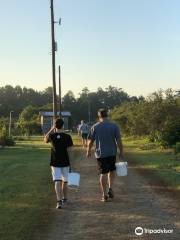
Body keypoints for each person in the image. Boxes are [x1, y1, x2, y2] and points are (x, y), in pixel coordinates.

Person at [87, 108, 124, 202]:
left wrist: (88, 151)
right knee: (111, 171)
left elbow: (90, 141)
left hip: (101, 154)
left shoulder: (95, 126)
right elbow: (118, 140)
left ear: (99, 116)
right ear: (107, 115)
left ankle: (104, 195)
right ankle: (110, 188)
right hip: (112, 152)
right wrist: (121, 151)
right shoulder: (114, 126)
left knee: (103, 173)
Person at [44, 118, 73, 209]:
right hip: (65, 161)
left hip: (55, 161)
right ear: (63, 125)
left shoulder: (52, 136)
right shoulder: (67, 136)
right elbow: (70, 151)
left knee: (57, 181)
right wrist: (70, 163)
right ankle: (64, 198)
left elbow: (45, 139)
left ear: (55, 125)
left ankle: (59, 201)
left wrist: (51, 129)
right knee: (65, 181)